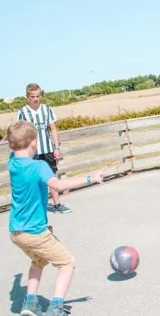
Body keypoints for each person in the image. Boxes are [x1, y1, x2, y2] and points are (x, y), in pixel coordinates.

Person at [7, 120, 105, 316]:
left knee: (38, 262)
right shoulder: (39, 166)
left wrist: (16, 281)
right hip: (35, 232)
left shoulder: (12, 162)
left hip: (16, 232)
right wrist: (90, 178)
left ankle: (30, 303)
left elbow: (18, 147)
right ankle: (56, 309)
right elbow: (58, 186)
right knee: (67, 263)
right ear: (34, 142)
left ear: (11, 145)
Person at [16, 83, 71, 214]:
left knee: (51, 176)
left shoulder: (47, 109)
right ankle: (36, 207)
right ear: (27, 97)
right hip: (31, 151)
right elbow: (20, 132)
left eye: (37, 96)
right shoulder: (22, 112)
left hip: (47, 149)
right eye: (32, 96)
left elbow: (52, 128)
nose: (35, 99)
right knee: (33, 179)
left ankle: (57, 204)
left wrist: (56, 147)